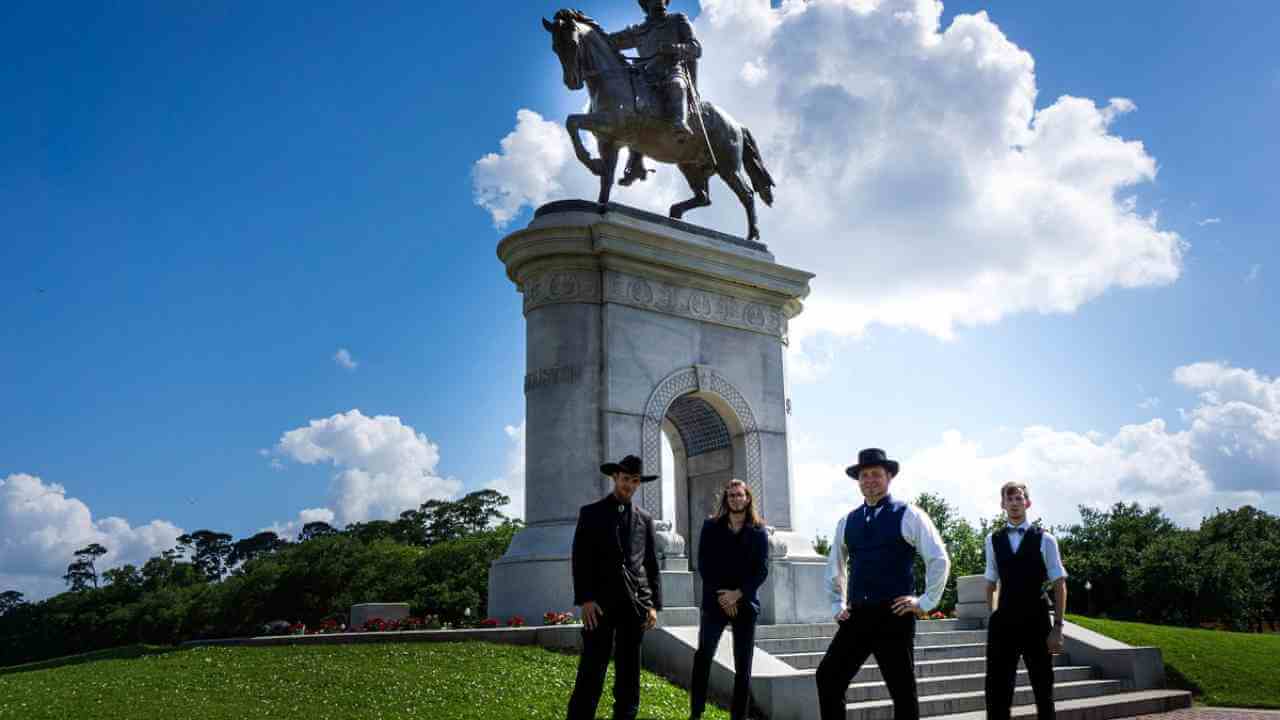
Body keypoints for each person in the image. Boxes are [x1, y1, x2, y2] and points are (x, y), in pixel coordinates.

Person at [817, 448, 951, 720]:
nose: (869, 480)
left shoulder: (909, 514)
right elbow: (835, 566)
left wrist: (924, 602)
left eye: (876, 475)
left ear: (889, 477)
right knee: (828, 677)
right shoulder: (847, 521)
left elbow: (938, 558)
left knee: (902, 691)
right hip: (858, 616)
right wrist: (837, 603)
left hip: (894, 615)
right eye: (864, 476)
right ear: (858, 481)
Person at [565, 454, 664, 720]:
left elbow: (651, 564)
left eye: (634, 481)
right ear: (614, 478)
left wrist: (653, 604)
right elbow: (580, 559)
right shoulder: (591, 513)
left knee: (629, 673)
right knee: (591, 670)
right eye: (624, 479)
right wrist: (585, 599)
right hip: (598, 605)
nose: (628, 485)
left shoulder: (645, 518)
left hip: (635, 606)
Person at [983, 481, 1068, 720]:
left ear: (1027, 503)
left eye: (1019, 498)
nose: (1014, 503)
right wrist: (993, 617)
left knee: (1043, 690)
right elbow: (990, 582)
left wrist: (1058, 627)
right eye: (1009, 499)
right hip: (1004, 623)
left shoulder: (1046, 539)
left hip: (1037, 621)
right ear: (1003, 504)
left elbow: (1060, 584)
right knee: (996, 691)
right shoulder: (992, 540)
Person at [689, 478, 769, 720]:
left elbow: (761, 570)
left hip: (745, 604)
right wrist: (724, 597)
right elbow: (704, 564)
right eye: (731, 495)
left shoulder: (758, 531)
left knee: (743, 666)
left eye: (739, 494)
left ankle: (738, 717)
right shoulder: (710, 527)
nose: (735, 498)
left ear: (747, 498)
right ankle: (696, 713)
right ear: (726, 499)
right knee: (703, 656)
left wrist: (738, 594)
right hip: (715, 603)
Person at [608, 0, 702, 185]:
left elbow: (696, 49)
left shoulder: (677, 20)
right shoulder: (638, 30)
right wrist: (585, 30)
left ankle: (679, 124)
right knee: (631, 106)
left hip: (671, 71)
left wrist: (674, 48)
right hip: (645, 77)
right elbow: (609, 41)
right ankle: (635, 162)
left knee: (676, 86)